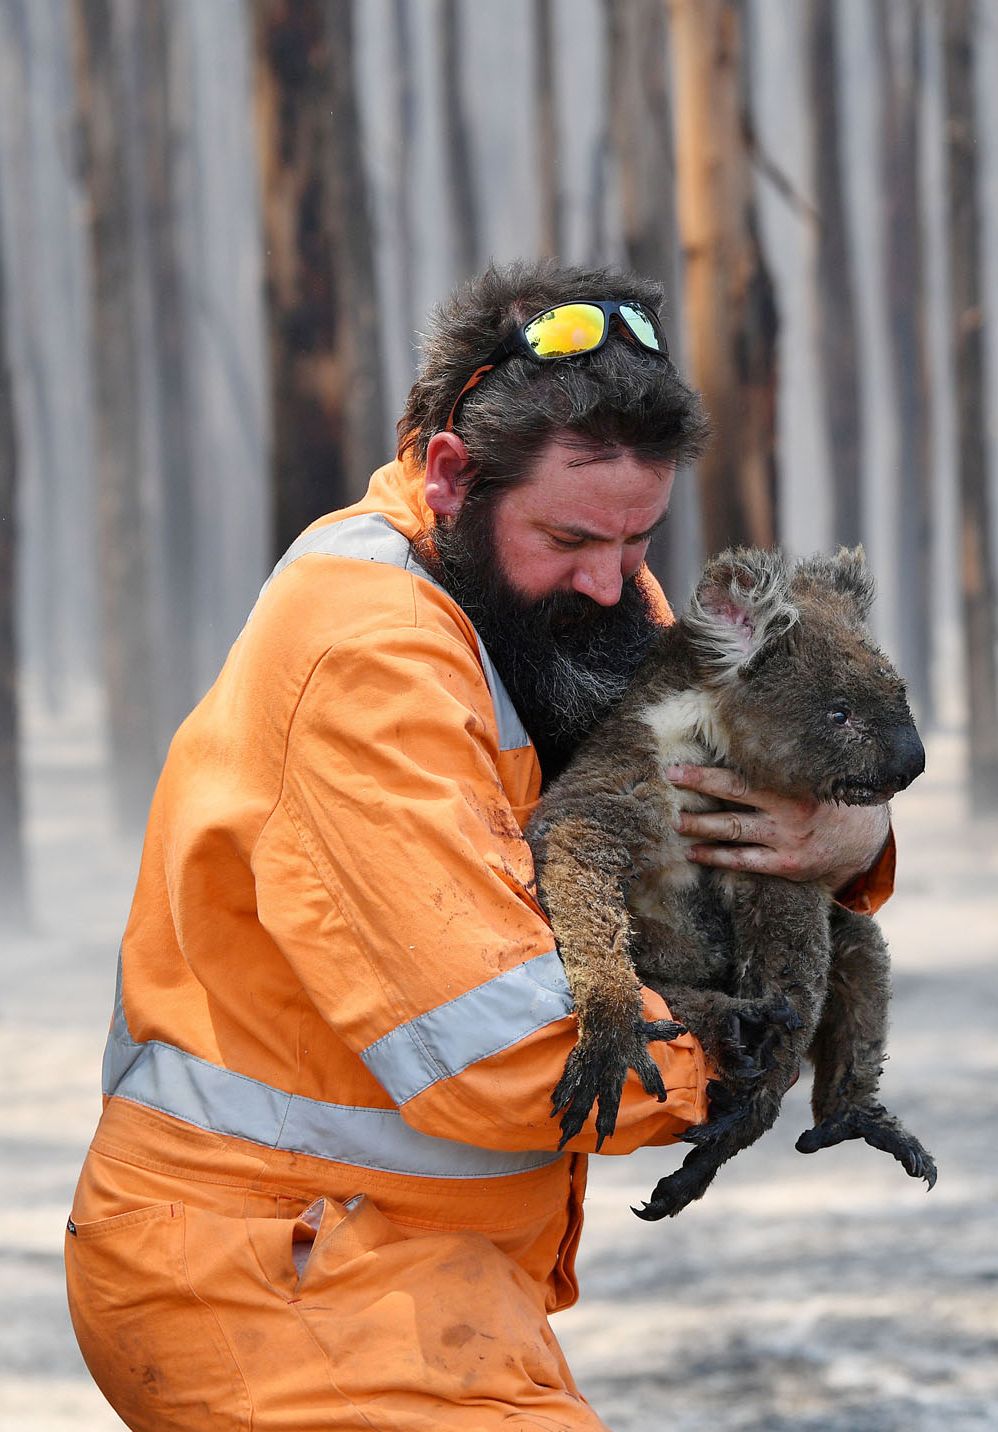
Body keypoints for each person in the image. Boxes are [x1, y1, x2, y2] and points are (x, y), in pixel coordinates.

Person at [64, 262, 900, 1429]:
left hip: (411, 1269)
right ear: (452, 475)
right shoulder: (368, 655)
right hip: (272, 1275)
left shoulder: (561, 583)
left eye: (641, 538)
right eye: (573, 537)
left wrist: (851, 832)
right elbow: (503, 1052)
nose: (615, 582)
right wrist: (754, 1038)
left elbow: (733, 783)